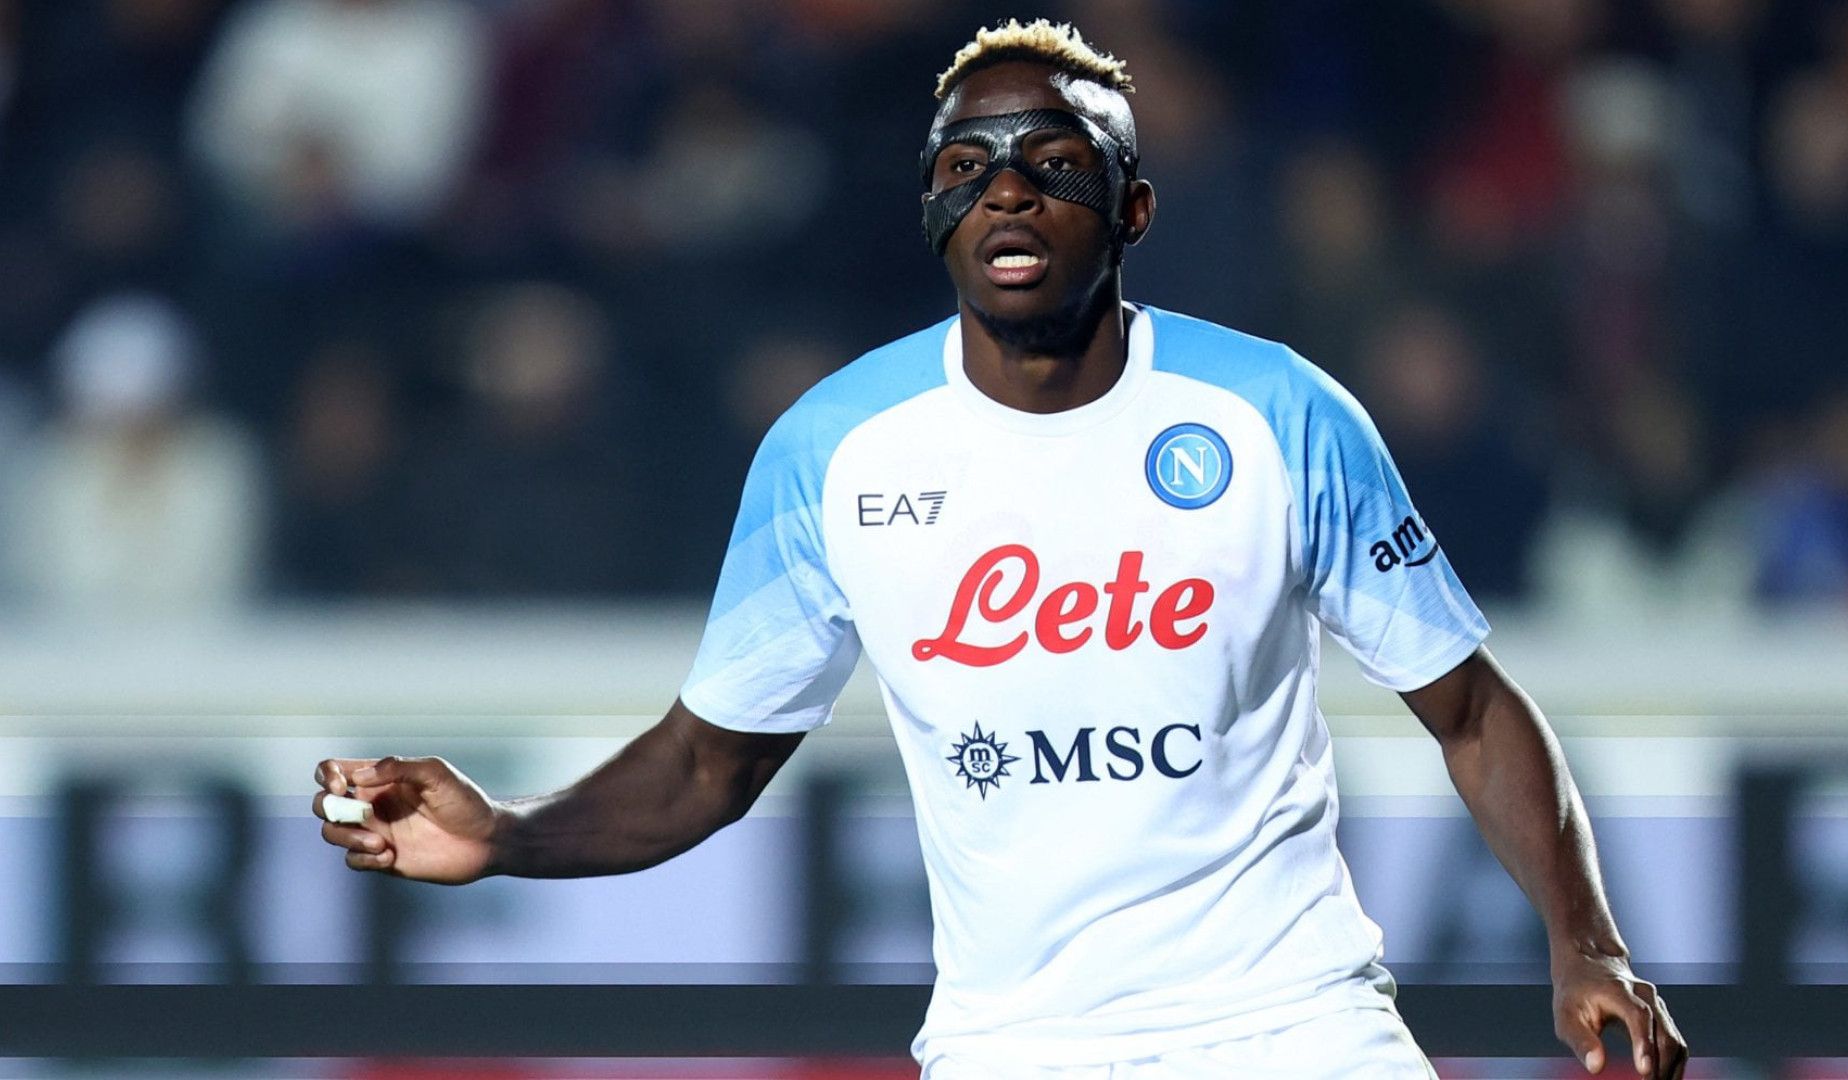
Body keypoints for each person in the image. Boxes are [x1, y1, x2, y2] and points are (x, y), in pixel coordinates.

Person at [315, 20, 1688, 1079]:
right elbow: (706, 764)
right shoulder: (834, 452)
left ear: (1132, 208)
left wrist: (1586, 942)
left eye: (1054, 163)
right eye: (966, 168)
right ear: (933, 211)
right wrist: (508, 836)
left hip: (1292, 1023)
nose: (1007, 193)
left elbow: (1470, 707)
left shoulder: (1278, 413)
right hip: (1017, 1046)